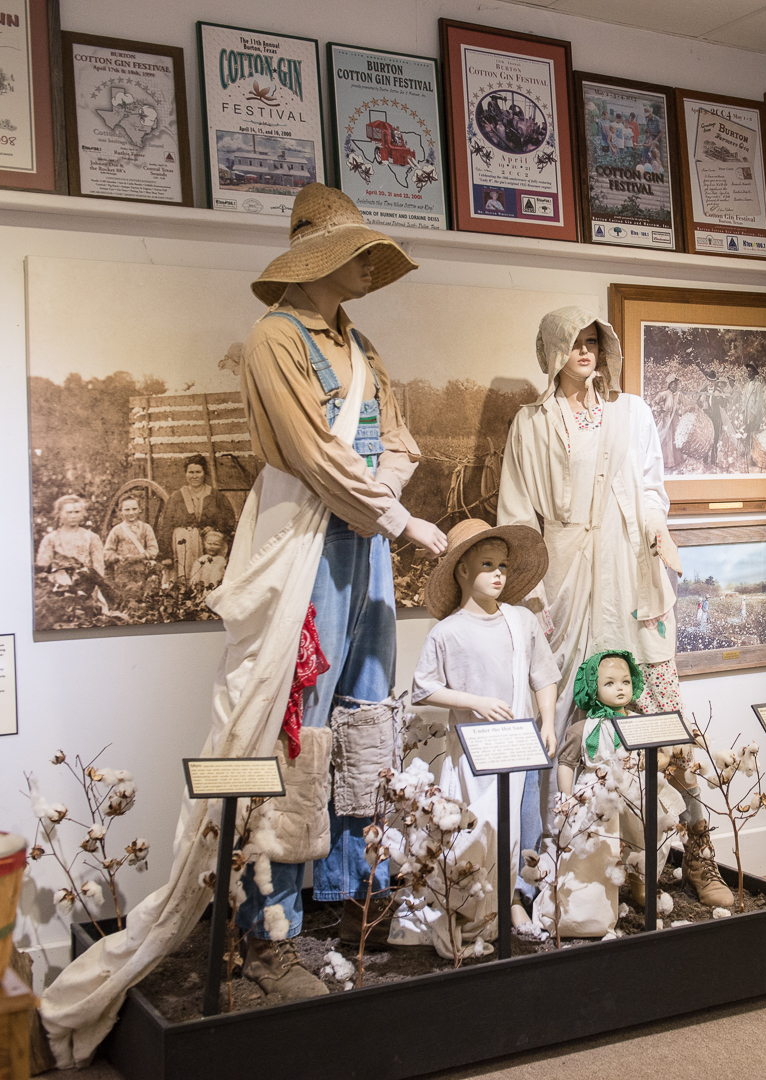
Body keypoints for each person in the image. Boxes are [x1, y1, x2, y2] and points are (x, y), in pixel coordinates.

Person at [226, 183, 448, 1000]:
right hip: (306, 544)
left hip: (364, 541)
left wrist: (385, 506)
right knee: (299, 722)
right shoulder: (274, 341)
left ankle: (346, 896)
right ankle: (270, 927)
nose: (366, 269)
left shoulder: (361, 348)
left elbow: (397, 440)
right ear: (322, 257)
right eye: (355, 254)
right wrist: (395, 517)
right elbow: (314, 457)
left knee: (363, 714)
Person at [497, 307, 731, 908]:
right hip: (568, 583)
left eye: (594, 341)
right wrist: (532, 596)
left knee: (656, 715)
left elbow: (652, 488)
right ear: (552, 350)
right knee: (567, 729)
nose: (586, 351)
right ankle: (569, 866)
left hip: (631, 576)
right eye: (574, 342)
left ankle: (696, 849)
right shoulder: (531, 424)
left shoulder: (633, 414)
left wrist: (660, 531)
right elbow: (520, 516)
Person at [398, 519, 558, 953]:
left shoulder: (520, 620)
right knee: (479, 827)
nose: (498, 574)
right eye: (487, 564)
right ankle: (474, 904)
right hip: (474, 753)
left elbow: (543, 674)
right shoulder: (447, 631)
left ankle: (514, 904)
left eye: (503, 565)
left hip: (520, 744)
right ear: (462, 571)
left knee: (526, 827)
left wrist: (546, 722)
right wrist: (474, 701)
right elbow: (424, 687)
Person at [158, 455, 237, 579]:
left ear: (204, 473)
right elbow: (166, 525)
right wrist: (166, 554)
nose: (194, 476)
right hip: (182, 544)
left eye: (198, 472)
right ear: (186, 474)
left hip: (207, 544)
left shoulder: (216, 496)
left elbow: (229, 519)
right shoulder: (177, 497)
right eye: (191, 472)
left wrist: (214, 529)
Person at [102, 495, 158, 566]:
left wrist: (138, 557)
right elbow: (107, 552)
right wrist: (118, 557)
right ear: (121, 511)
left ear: (140, 509)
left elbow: (153, 549)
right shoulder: (116, 530)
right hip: (122, 571)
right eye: (127, 510)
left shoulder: (146, 528)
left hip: (143, 570)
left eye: (134, 509)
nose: (131, 513)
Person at [652, 376, 683, 470]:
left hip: (676, 419)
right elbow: (654, 402)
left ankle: (677, 460)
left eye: (675, 384)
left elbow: (685, 405)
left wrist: (680, 409)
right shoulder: (664, 394)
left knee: (676, 437)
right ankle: (668, 461)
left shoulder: (679, 395)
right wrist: (660, 409)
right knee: (668, 437)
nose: (674, 386)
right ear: (669, 384)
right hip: (667, 418)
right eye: (672, 384)